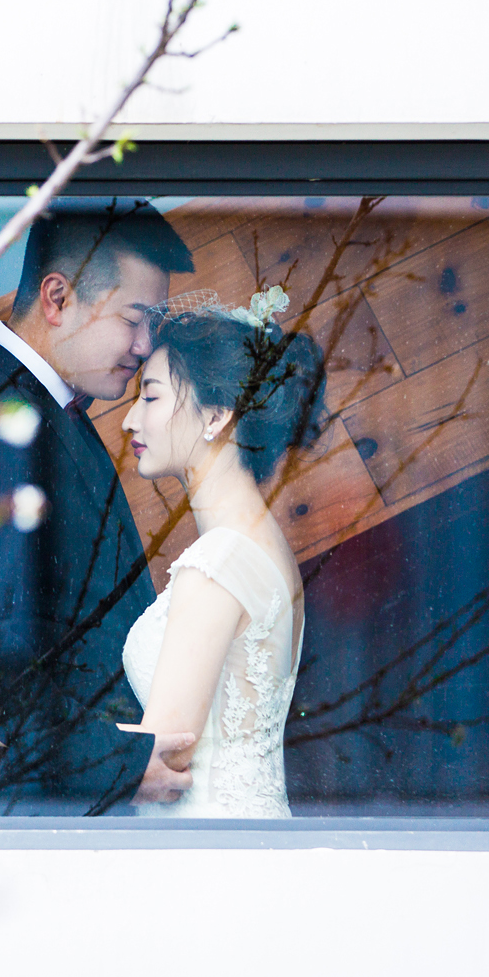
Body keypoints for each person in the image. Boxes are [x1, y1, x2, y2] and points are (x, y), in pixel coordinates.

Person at [0, 196, 198, 813]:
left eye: (155, 323)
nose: (146, 345)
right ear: (57, 298)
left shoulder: (38, 412)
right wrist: (124, 767)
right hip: (28, 821)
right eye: (135, 319)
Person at [118, 288, 327, 816]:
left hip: (209, 846)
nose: (129, 421)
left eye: (150, 397)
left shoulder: (217, 564)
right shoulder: (261, 549)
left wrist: (5, 736)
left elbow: (161, 760)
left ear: (215, 416)